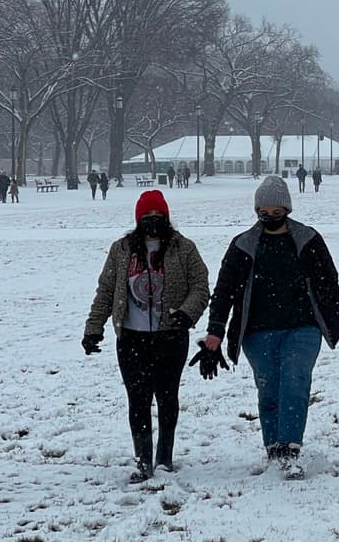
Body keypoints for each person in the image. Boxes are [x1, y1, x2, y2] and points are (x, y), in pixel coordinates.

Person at [198, 176, 339, 480]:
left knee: (295, 382)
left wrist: (333, 315)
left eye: (275, 211)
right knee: (268, 388)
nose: (269, 217)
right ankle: (273, 447)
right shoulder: (243, 245)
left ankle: (290, 448)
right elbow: (224, 291)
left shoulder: (309, 240)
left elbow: (329, 281)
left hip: (303, 328)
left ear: (287, 209)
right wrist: (215, 330)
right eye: (263, 212)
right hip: (257, 331)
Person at [82, 190, 210, 483]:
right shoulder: (121, 250)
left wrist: (187, 314)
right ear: (138, 220)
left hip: (170, 336)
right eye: (147, 217)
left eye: (158, 217)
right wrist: (93, 328)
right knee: (137, 399)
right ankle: (143, 461)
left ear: (166, 218)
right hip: (131, 338)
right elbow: (105, 291)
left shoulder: (184, 248)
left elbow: (200, 286)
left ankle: (164, 458)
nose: (153, 222)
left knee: (167, 397)